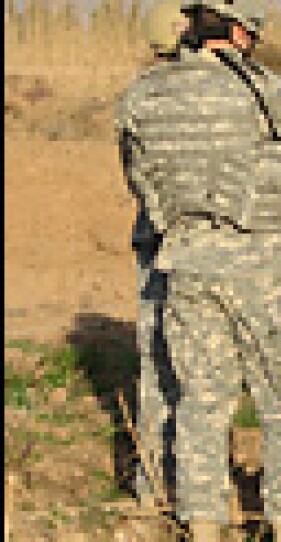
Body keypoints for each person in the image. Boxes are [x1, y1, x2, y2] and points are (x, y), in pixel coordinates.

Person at [116, 0, 281, 539]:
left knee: (200, 400)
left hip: (185, 263)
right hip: (264, 266)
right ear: (241, 28)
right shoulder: (264, 88)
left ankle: (204, 526)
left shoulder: (144, 94)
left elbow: (141, 182)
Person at [114, 0, 189, 510]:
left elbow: (133, 174)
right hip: (201, 246)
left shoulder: (135, 97)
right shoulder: (214, 90)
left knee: (156, 362)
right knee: (202, 366)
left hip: (155, 241)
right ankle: (198, 484)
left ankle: (153, 482)